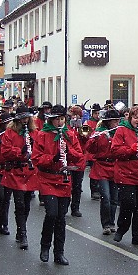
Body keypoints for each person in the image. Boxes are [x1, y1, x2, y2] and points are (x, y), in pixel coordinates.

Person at [31, 104, 84, 265]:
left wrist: (68, 152)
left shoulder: (69, 134)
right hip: (48, 179)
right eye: (57, 120)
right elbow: (36, 159)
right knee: (51, 214)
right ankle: (45, 246)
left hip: (64, 179)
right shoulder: (42, 135)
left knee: (61, 218)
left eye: (62, 119)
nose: (60, 123)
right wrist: (52, 158)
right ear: (51, 120)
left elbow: (80, 158)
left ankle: (59, 252)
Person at [0, 106, 39, 249]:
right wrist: (19, 152)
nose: (25, 120)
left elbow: (39, 149)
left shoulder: (34, 132)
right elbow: (5, 151)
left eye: (27, 118)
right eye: (23, 118)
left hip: (29, 171)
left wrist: (34, 148)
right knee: (19, 203)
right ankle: (23, 233)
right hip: (15, 170)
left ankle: (20, 230)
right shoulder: (10, 132)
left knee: (27, 204)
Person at [110, 106, 138, 246]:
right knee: (128, 202)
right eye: (135, 117)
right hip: (125, 173)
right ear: (130, 118)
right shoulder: (122, 130)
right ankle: (121, 228)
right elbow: (115, 150)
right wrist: (131, 149)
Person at [85, 109, 121, 235]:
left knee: (115, 199)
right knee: (106, 197)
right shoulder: (99, 132)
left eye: (118, 121)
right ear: (108, 122)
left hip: (115, 166)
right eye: (114, 121)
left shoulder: (120, 133)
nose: (116, 124)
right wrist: (96, 138)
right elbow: (90, 149)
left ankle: (112, 222)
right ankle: (105, 224)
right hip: (102, 166)